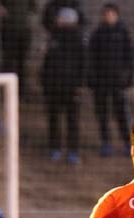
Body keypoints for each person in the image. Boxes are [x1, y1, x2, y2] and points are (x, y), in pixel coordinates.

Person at [88, 3, 134, 158]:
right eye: (106, 14)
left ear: (116, 15)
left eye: (111, 14)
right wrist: (92, 79)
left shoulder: (123, 34)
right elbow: (90, 59)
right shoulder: (97, 34)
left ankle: (128, 143)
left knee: (121, 113)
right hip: (100, 82)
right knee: (102, 113)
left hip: (118, 82)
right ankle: (106, 142)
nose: (108, 16)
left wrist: (128, 78)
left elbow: (130, 58)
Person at [40, 7, 86, 165]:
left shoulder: (78, 40)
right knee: (53, 119)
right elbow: (46, 64)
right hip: (53, 87)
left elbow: (83, 64)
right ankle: (55, 148)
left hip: (71, 87)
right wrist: (44, 83)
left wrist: (79, 85)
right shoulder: (52, 39)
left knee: (72, 120)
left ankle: (73, 150)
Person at [0, 0, 35, 99]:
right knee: (8, 62)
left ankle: (21, 93)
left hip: (24, 31)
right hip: (9, 30)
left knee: (22, 63)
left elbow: (33, 7)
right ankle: (7, 93)